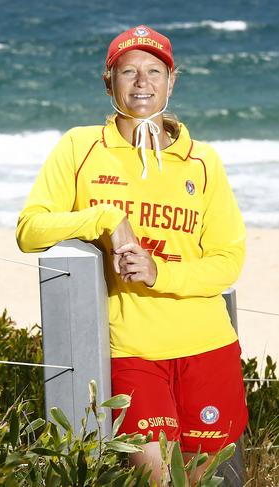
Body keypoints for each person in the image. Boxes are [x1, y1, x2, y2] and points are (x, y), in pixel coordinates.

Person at [16, 25, 247, 485]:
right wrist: (102, 218)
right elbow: (30, 229)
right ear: (109, 82)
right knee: (158, 480)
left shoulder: (202, 161)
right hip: (133, 353)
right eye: (128, 72)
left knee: (205, 481)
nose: (142, 82)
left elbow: (227, 259)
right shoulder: (81, 148)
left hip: (208, 346)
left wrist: (159, 272)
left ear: (171, 80)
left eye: (153, 71)